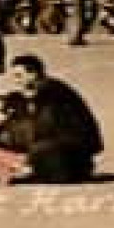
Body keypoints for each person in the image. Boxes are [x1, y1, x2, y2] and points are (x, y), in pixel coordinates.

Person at [9, 55, 103, 183]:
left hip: (74, 149)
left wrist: (24, 157)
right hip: (71, 146)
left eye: (19, 76)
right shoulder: (48, 88)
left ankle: (61, 170)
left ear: (33, 74)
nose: (16, 81)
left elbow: (44, 127)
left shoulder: (51, 92)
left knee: (34, 147)